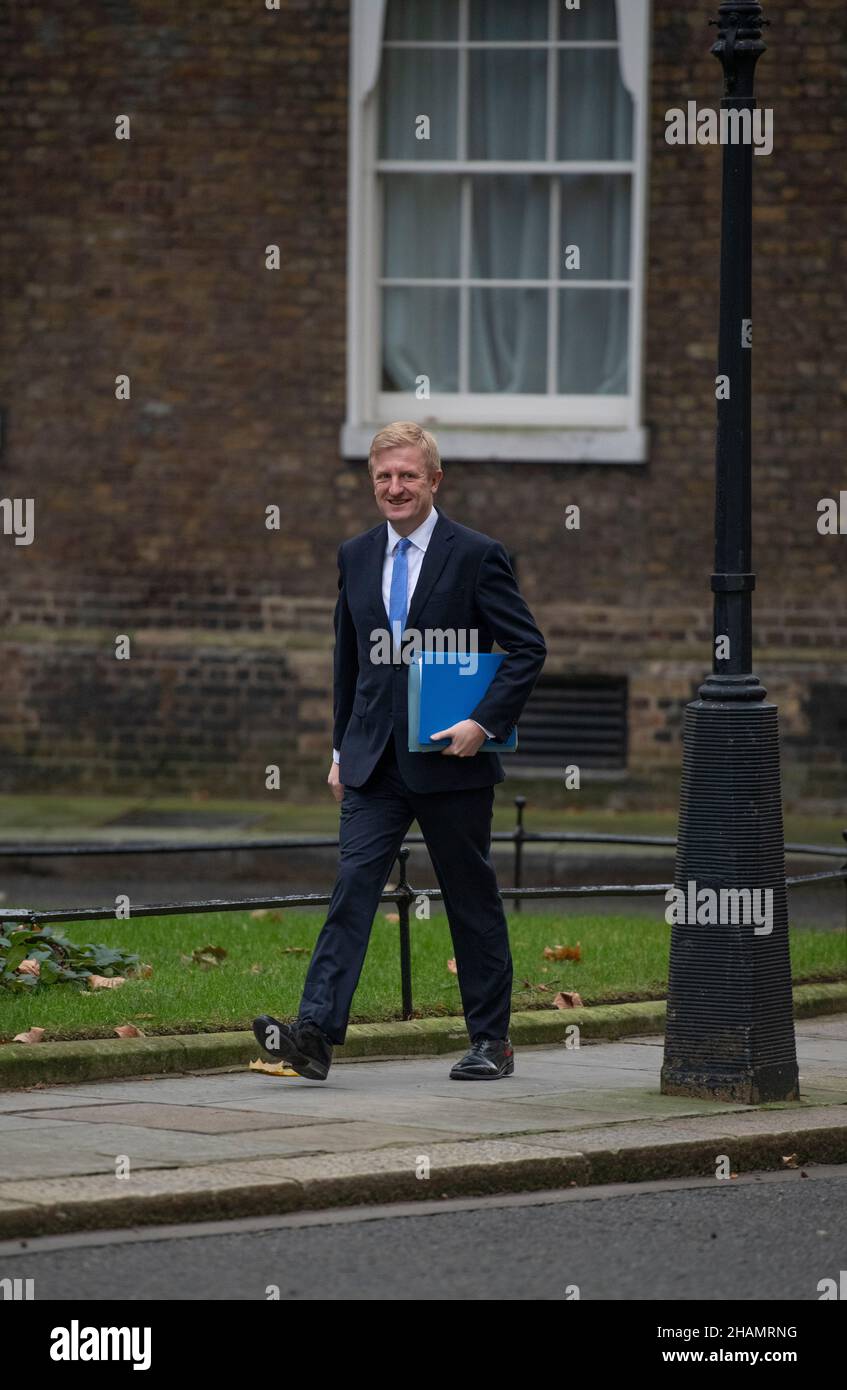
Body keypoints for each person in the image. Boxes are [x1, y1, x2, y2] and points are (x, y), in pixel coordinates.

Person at [253, 422, 546, 1080]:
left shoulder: (475, 554)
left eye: (408, 476)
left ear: (433, 481)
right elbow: (348, 660)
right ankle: (315, 1036)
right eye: (384, 477)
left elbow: (527, 648)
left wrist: (482, 723)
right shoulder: (355, 555)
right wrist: (338, 747)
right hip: (371, 762)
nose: (395, 487)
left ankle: (490, 1042)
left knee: (469, 898)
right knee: (352, 887)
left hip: (451, 759)